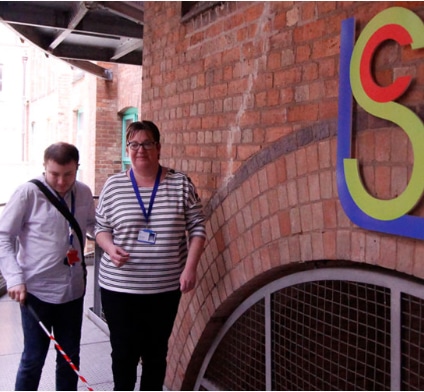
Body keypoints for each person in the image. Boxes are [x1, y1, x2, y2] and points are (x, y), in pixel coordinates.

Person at [95, 120, 206, 391]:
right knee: (123, 354)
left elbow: (198, 229)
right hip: (119, 288)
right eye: (133, 144)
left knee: (156, 354)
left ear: (158, 147)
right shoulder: (113, 185)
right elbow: (101, 229)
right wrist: (110, 248)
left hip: (164, 289)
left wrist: (190, 268)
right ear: (127, 149)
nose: (140, 149)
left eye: (146, 143)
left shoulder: (180, 184)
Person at [0, 142, 96, 391]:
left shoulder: (84, 192)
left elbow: (93, 226)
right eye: (55, 174)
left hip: (73, 291)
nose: (62, 182)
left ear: (77, 168)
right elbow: (3, 236)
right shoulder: (27, 193)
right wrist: (13, 277)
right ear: (45, 168)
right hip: (35, 293)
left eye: (69, 174)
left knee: (69, 358)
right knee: (33, 359)